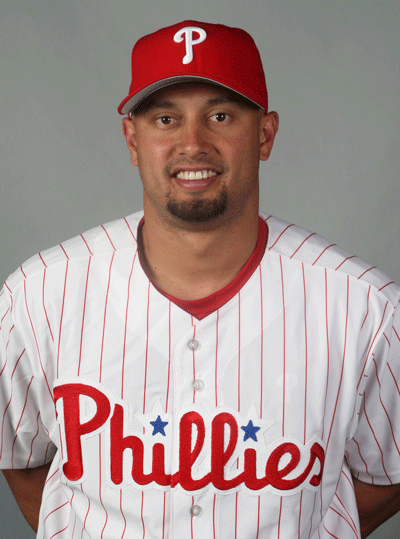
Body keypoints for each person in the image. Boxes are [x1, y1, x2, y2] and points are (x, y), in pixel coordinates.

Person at [1, 19, 400, 539]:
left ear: (265, 134)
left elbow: (389, 478)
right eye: (166, 118)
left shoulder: (366, 309)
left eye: (220, 116)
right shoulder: (36, 296)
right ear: (132, 139)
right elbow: (18, 458)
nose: (193, 143)